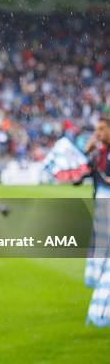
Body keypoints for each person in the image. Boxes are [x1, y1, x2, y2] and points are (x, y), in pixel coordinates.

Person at [82, 117, 110, 327]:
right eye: (96, 129)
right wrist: (86, 151)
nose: (98, 133)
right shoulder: (100, 152)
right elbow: (80, 175)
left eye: (101, 129)